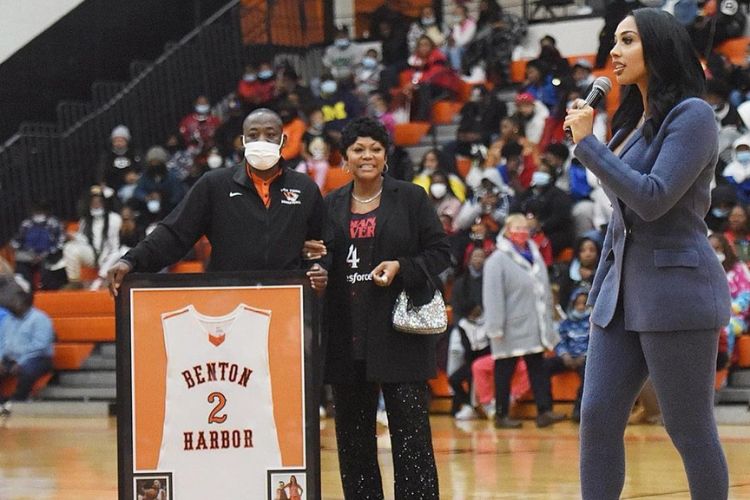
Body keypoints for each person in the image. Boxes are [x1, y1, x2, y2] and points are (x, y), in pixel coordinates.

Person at [563, 9, 731, 498]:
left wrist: (590, 147)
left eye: (628, 41)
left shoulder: (692, 116)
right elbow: (621, 216)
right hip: (619, 296)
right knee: (595, 416)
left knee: (687, 426)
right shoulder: (633, 122)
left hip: (676, 291)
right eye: (614, 41)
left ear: (658, 48)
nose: (614, 52)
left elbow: (654, 198)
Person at [310, 117, 449, 498]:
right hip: (346, 337)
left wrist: (402, 267)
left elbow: (440, 253)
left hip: (398, 337)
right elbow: (321, 258)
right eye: (358, 149)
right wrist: (317, 267)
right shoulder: (330, 204)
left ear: (385, 155)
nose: (366, 155)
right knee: (353, 445)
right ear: (346, 157)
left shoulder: (411, 198)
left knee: (412, 443)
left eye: (374, 148)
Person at [107, 108, 328, 296]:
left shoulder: (305, 187)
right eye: (253, 135)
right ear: (242, 141)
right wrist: (131, 261)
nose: (261, 141)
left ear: (283, 141)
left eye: (270, 135)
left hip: (288, 299)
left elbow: (324, 245)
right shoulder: (215, 184)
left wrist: (319, 266)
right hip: (230, 298)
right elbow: (175, 233)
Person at [482, 214, 562, 428]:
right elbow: (492, 296)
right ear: (507, 231)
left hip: (535, 325)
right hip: (508, 327)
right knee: (504, 370)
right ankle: (501, 414)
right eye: (517, 228)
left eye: (525, 228)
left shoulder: (535, 254)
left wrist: (548, 322)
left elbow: (544, 291)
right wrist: (495, 327)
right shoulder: (496, 260)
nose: (522, 232)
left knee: (538, 367)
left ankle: (545, 411)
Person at [0, 276, 54, 414]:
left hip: (37, 358)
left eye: (13, 301)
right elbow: (2, 343)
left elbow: (40, 346)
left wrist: (20, 361)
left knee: (27, 369)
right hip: (11, 358)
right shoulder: (9, 320)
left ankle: (17, 402)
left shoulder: (40, 318)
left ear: (23, 303)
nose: (9, 303)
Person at [545, 287, 591, 423]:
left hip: (586, 359)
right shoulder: (566, 322)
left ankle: (578, 411)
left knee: (589, 373)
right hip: (568, 358)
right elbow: (560, 340)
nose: (581, 307)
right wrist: (564, 355)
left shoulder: (594, 322)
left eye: (584, 303)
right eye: (578, 303)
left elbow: (597, 343)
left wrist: (584, 355)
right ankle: (546, 409)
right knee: (543, 366)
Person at [62, 186, 122, 289]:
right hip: (92, 254)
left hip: (109, 257)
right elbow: (85, 240)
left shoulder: (114, 219)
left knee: (121, 253)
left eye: (99, 201)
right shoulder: (85, 220)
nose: (96, 204)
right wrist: (74, 237)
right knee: (69, 248)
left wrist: (103, 272)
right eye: (93, 201)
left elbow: (115, 249)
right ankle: (75, 283)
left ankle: (103, 281)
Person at [11, 202, 66, 290]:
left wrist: (45, 254)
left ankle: (47, 290)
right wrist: (29, 253)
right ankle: (26, 290)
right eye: (36, 212)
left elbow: (60, 243)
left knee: (48, 266)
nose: (38, 214)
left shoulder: (55, 223)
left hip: (49, 255)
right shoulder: (27, 224)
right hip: (29, 255)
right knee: (21, 265)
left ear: (46, 212)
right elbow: (16, 242)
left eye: (41, 211)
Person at [97, 125, 142, 192]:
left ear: (127, 141)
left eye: (121, 140)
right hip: (111, 186)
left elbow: (142, 168)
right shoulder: (107, 156)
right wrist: (102, 183)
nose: (118, 143)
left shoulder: (134, 154)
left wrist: (136, 177)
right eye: (116, 140)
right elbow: (101, 171)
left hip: (131, 186)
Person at [446, 4, 477, 72]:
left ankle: (457, 73)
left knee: (453, 50)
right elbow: (449, 40)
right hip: (455, 46)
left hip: (467, 49)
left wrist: (457, 26)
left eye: (459, 13)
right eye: (455, 13)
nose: (456, 15)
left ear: (465, 14)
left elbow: (462, 42)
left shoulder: (471, 24)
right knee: (441, 50)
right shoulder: (455, 24)